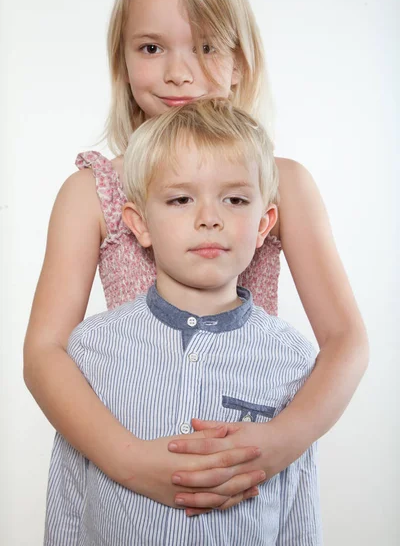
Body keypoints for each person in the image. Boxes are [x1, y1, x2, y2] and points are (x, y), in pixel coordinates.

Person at [24, 0, 368, 517]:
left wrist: (277, 444)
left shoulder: (281, 185)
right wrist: (129, 460)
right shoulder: (93, 191)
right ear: (122, 60)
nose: (178, 72)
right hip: (124, 468)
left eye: (206, 46)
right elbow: (44, 352)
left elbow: (346, 342)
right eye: (152, 47)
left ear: (240, 61)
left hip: (242, 467)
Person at [45, 99, 322, 545]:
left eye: (234, 199)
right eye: (180, 199)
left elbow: (298, 514)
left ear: (263, 224)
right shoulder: (91, 351)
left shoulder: (291, 360)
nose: (209, 218)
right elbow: (70, 503)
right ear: (140, 224)